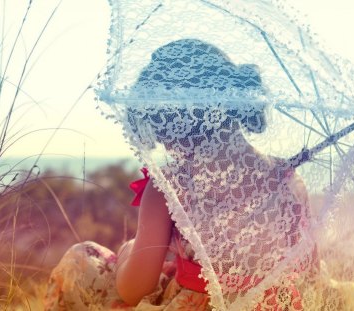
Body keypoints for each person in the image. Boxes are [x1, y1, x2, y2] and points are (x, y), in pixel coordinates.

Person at [44, 39, 314, 311]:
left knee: (81, 260)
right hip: (272, 305)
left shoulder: (171, 187)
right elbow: (308, 267)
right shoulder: (287, 180)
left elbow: (135, 289)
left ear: (171, 127)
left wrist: (130, 250)